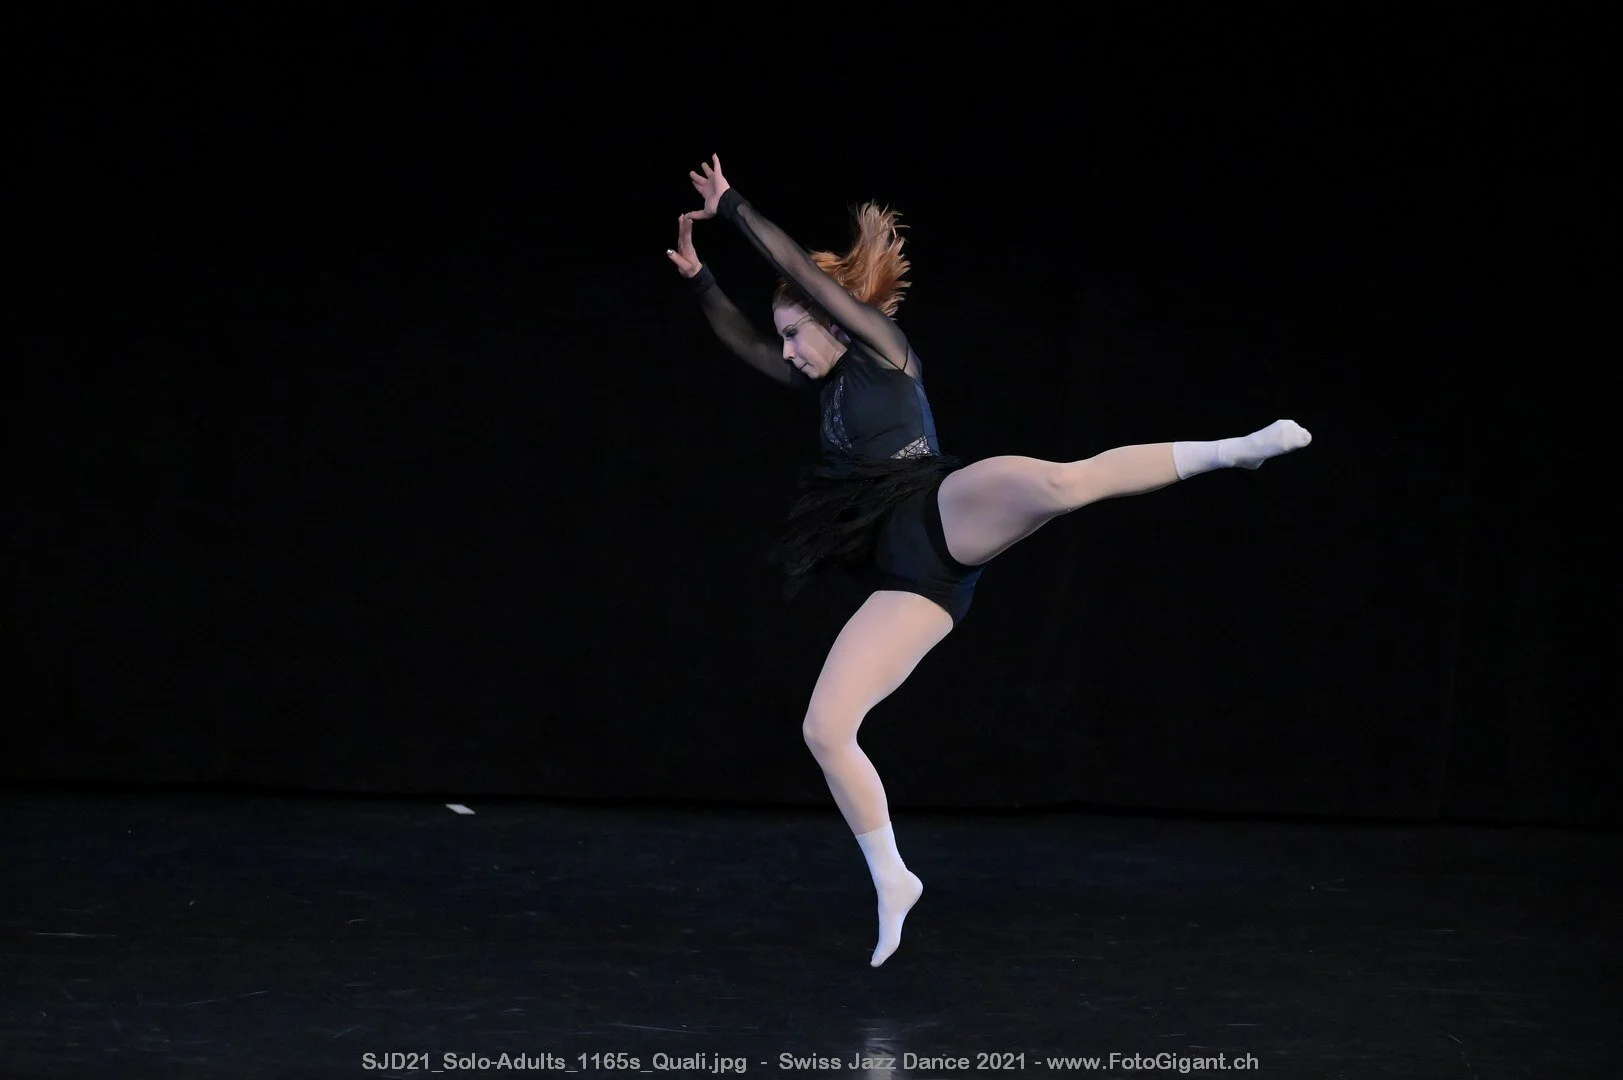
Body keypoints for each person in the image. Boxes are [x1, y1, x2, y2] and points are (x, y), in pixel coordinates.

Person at [667, 155, 1311, 967]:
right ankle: (893, 878)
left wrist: (732, 208)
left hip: (940, 509)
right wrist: (701, 282)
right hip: (908, 576)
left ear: (833, 317)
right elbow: (748, 347)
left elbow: (796, 267)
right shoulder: (820, 385)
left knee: (1057, 483)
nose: (788, 350)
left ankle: (1232, 450)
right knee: (825, 727)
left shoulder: (881, 349)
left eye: (797, 332)